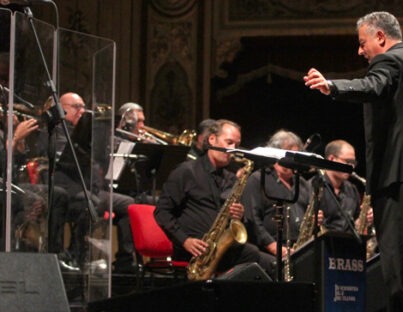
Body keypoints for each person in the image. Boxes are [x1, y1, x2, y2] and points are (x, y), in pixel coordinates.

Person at [304, 11, 403, 312]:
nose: (360, 51)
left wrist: (332, 86)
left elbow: (372, 86)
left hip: (398, 170)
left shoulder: (390, 62)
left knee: (396, 248)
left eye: (362, 42)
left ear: (380, 37)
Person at [154, 119, 275, 277]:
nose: (233, 150)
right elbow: (162, 212)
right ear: (212, 139)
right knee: (253, 256)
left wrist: (238, 216)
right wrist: (185, 240)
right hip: (192, 250)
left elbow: (233, 221)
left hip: (219, 249)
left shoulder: (230, 178)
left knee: (269, 263)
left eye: (236, 145)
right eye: (229, 142)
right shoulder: (186, 172)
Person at [54, 92, 137, 273]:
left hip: (91, 188)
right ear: (63, 109)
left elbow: (100, 164)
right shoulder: (58, 131)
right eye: (76, 107)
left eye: (83, 107)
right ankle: (75, 253)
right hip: (67, 188)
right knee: (90, 202)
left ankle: (124, 262)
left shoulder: (88, 134)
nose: (82, 111)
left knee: (129, 204)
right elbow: (63, 163)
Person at [244, 129, 312, 258]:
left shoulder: (302, 183)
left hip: (300, 248)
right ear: (275, 153)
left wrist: (314, 219)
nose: (293, 159)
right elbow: (252, 218)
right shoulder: (258, 179)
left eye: (296, 155)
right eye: (289, 154)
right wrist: (272, 246)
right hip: (268, 250)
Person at [317, 139, 373, 234]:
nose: (352, 167)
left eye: (353, 163)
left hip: (348, 244)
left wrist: (364, 220)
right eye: (348, 161)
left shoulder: (352, 189)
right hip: (323, 245)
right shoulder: (313, 186)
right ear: (331, 159)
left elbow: (355, 225)